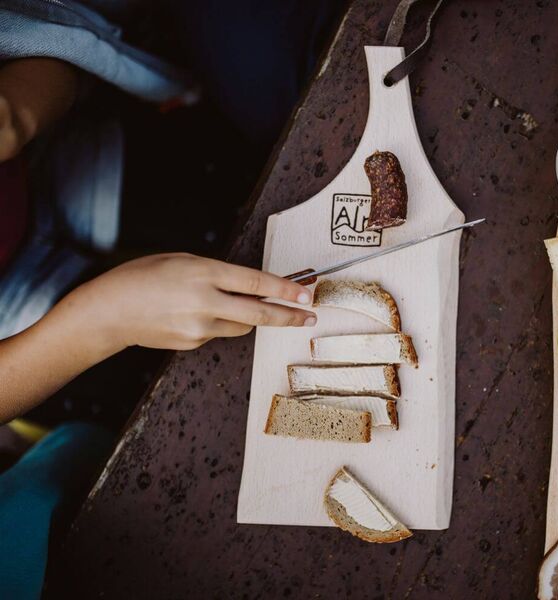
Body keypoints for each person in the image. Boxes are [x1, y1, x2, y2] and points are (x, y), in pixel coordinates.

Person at [0, 1, 342, 597]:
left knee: (241, 184)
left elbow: (51, 56)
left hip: (50, 166)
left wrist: (18, 113)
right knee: (197, 391)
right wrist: (100, 322)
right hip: (16, 328)